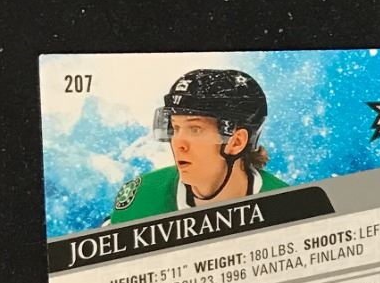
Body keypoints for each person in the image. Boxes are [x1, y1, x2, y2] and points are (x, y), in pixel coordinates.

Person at [110, 67, 287, 222]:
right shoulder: (142, 199)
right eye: (175, 128)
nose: (178, 144)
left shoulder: (287, 207)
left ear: (236, 142)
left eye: (195, 129)